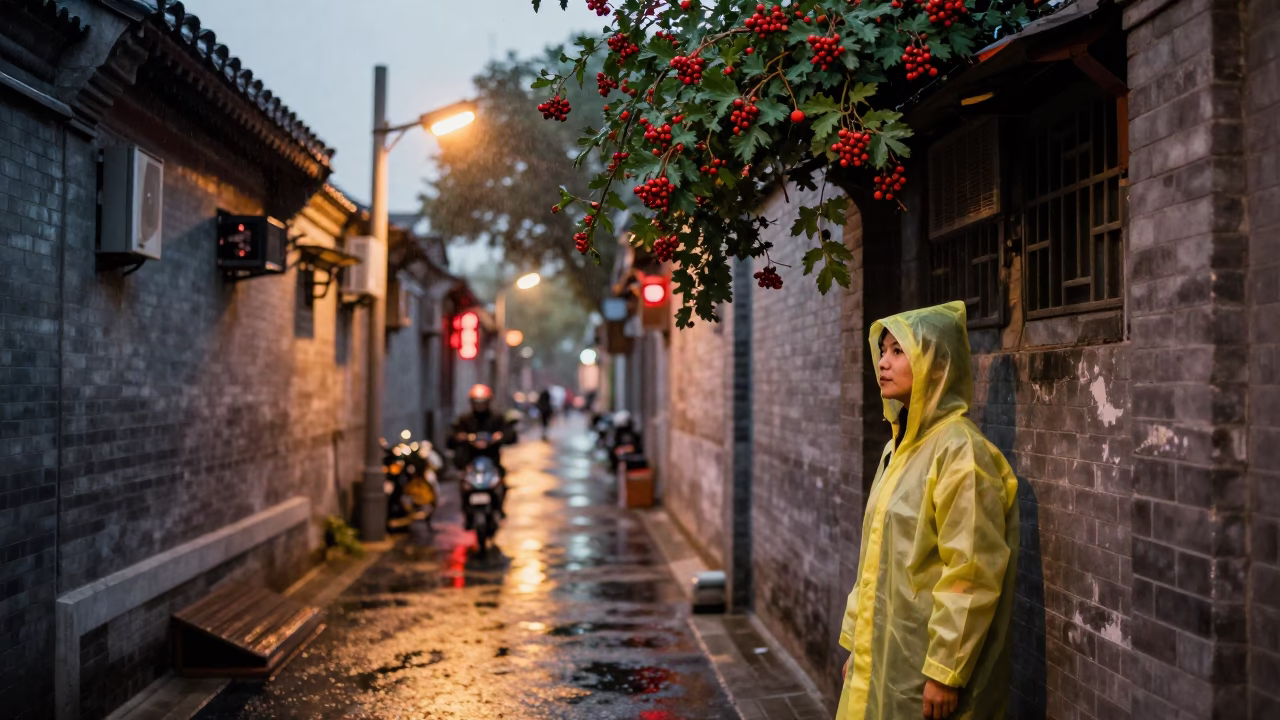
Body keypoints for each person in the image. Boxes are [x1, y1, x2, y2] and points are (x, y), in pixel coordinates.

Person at [837, 301, 1019, 720]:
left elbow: (971, 572)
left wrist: (944, 672)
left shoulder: (960, 452)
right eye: (882, 350)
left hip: (922, 670)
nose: (882, 362)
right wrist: (856, 644)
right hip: (879, 657)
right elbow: (874, 562)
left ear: (936, 364)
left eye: (898, 352)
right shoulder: (896, 448)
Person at [448, 384, 516, 520]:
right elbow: (451, 438)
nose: (479, 406)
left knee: (502, 482)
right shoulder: (465, 420)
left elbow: (510, 434)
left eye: (482, 402)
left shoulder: (496, 418)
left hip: (492, 460)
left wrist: (501, 437)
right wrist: (459, 437)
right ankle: (467, 511)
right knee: (463, 483)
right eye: (476, 403)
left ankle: (499, 507)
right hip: (470, 461)